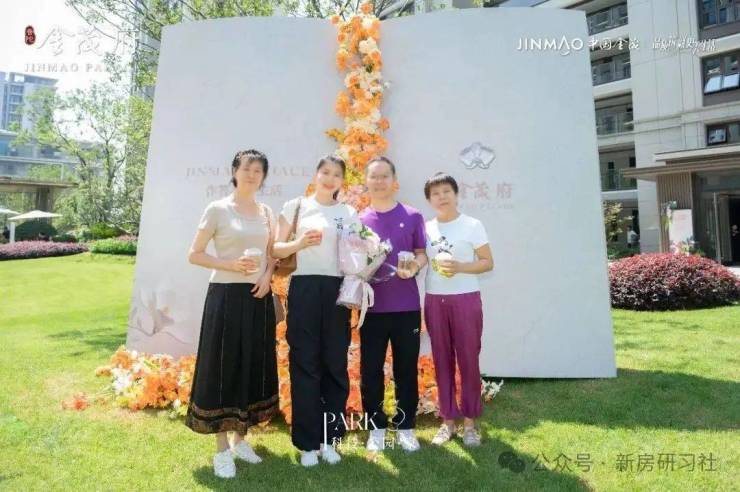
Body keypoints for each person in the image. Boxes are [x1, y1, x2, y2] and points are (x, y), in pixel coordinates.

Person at [185, 149, 279, 479]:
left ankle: (241, 440)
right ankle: (221, 449)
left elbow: (272, 254)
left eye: (259, 170)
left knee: (253, 363)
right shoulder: (218, 209)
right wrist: (231, 265)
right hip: (225, 296)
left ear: (263, 177)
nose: (252, 174)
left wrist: (268, 277)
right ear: (235, 171)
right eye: (247, 168)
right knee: (223, 367)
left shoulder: (266, 212)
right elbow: (194, 254)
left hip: (258, 297)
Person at [272, 155, 358, 467]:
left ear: (342, 180)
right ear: (316, 174)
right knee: (304, 363)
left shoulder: (348, 213)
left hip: (337, 290)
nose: (330, 178)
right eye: (325, 172)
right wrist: (299, 243)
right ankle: (308, 443)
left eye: (337, 174)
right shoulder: (296, 206)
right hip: (304, 288)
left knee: (335, 364)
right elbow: (275, 248)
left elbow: (357, 252)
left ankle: (329, 439)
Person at [358, 156, 428, 453]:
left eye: (384, 176)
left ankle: (406, 427)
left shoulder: (412, 215)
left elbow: (422, 253)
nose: (379, 181)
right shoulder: (359, 220)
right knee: (370, 370)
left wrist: (415, 267)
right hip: (371, 309)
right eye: (374, 176)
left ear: (394, 180)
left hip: (406, 308)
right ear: (366, 181)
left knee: (406, 370)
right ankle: (375, 429)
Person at [423, 172, 493, 448]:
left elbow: (487, 262)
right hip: (434, 300)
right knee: (441, 360)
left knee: (468, 360)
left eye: (446, 191)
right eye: (435, 193)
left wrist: (461, 267)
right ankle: (447, 421)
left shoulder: (472, 225)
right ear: (429, 200)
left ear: (455, 194)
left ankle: (470, 424)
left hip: (465, 299)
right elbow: (421, 259)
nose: (441, 197)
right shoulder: (426, 228)